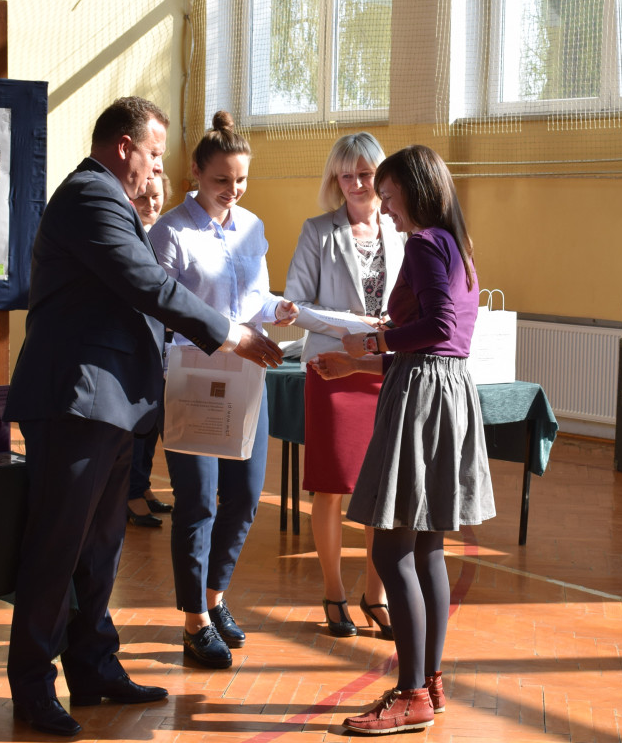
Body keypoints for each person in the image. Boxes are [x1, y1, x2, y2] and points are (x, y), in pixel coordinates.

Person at [3, 97, 284, 737]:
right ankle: (32, 686)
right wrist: (229, 335)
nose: (157, 170)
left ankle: (95, 668)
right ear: (125, 146)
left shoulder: (115, 203)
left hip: (114, 404)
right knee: (57, 548)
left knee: (99, 550)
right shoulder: (90, 196)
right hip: (77, 401)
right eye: (155, 154)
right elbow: (146, 286)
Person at [311, 145, 495, 734]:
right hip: (447, 391)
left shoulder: (423, 244)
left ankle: (411, 691)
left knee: (392, 549)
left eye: (389, 198)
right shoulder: (456, 244)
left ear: (416, 191)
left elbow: (434, 329)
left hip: (420, 398)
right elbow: (442, 342)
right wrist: (360, 364)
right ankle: (429, 683)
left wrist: (370, 344)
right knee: (426, 548)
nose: (384, 210)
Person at [148, 110, 297, 671]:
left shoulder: (252, 227)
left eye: (241, 181)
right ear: (195, 172)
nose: (232, 191)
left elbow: (252, 300)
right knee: (197, 502)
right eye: (221, 181)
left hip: (247, 376)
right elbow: (158, 310)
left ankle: (214, 598)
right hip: (193, 378)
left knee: (246, 494)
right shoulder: (170, 232)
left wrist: (275, 308)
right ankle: (194, 622)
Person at [284, 133, 404, 639]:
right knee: (331, 487)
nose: (356, 183)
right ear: (335, 179)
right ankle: (333, 592)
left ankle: (374, 594)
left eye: (366, 173)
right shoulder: (318, 232)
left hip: (385, 370)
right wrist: (355, 329)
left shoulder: (403, 231)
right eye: (346, 174)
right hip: (333, 369)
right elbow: (294, 307)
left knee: (384, 487)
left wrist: (385, 336)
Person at [127, 172, 174, 529]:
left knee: (152, 426)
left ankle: (141, 486)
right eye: (143, 198)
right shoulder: (130, 236)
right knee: (136, 426)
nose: (151, 204)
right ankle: (128, 493)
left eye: (156, 197)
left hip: (162, 347)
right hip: (135, 348)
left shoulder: (159, 235)